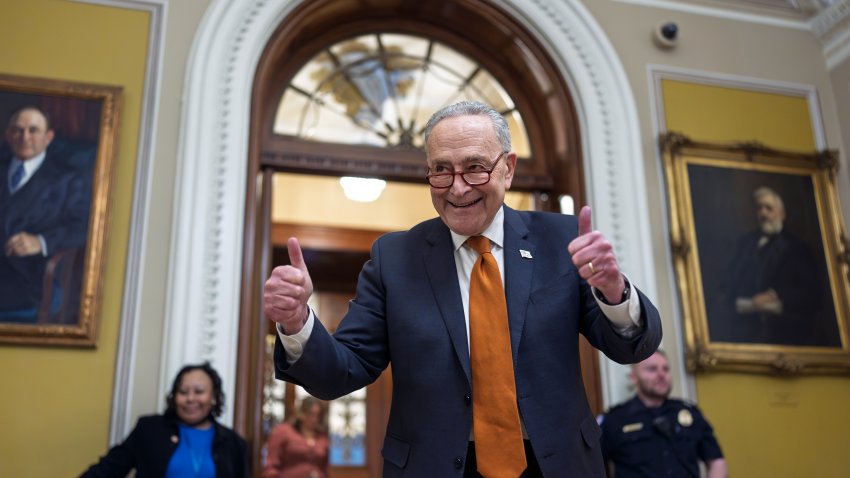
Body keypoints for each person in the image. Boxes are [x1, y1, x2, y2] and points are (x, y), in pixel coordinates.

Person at [263, 100, 662, 477]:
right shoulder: (395, 258)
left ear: (507, 168)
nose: (457, 188)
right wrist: (298, 322)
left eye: (475, 168)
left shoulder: (560, 240)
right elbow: (343, 370)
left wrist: (614, 292)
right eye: (441, 169)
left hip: (555, 463)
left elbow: (630, 347)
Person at [708, 186, 834, 346]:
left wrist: (775, 294)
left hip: (785, 332)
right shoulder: (745, 244)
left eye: (769, 208)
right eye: (759, 208)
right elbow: (729, 283)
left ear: (782, 213)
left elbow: (811, 292)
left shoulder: (797, 248)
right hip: (746, 329)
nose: (763, 213)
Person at [0, 105, 91, 323]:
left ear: (48, 137)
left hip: (29, 277)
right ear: (8, 135)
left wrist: (41, 242)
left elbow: (84, 226)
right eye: (18, 130)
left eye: (33, 130)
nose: (25, 137)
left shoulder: (67, 179)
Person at [80, 362, 249, 478]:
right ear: (174, 397)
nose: (190, 398)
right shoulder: (149, 429)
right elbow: (107, 470)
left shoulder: (234, 444)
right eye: (183, 392)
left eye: (199, 392)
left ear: (214, 397)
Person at [600, 350, 727, 478]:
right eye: (652, 369)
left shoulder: (689, 413)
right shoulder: (615, 419)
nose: (661, 375)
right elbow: (591, 463)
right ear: (634, 377)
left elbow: (716, 461)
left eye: (666, 369)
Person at [263, 396, 330, 478]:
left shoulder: (322, 437)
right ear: (302, 413)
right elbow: (271, 465)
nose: (315, 419)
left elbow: (324, 468)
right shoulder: (283, 431)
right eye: (311, 414)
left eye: (318, 415)